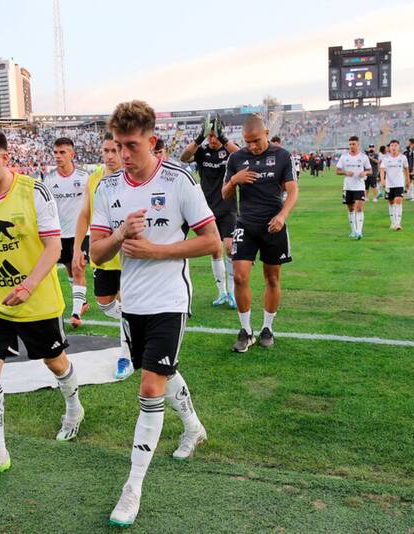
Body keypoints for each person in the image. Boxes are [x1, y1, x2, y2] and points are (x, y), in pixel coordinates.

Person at [90, 100, 219, 527]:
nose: (123, 155)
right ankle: (193, 427)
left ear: (152, 140)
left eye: (131, 145)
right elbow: (96, 252)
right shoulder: (108, 189)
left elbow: (211, 241)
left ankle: (132, 488)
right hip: (133, 304)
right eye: (117, 146)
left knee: (149, 387)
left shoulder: (179, 179)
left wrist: (156, 250)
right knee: (163, 372)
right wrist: (123, 231)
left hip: (169, 300)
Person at [0, 126, 85, 486]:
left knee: (55, 362)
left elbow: (53, 248)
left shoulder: (34, 192)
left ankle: (74, 407)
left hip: (38, 301)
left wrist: (29, 286)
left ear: (4, 157)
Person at [221, 114, 298, 352]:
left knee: (272, 278)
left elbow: (293, 191)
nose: (252, 146)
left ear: (266, 133)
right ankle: (246, 331)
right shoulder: (236, 158)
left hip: (273, 226)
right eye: (247, 142)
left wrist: (282, 216)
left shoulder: (282, 156)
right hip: (246, 224)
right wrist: (234, 180)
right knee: (240, 276)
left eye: (256, 140)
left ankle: (267, 327)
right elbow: (225, 195)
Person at [73, 132, 133, 380]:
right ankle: (139, 320)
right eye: (105, 150)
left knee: (128, 301)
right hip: (104, 252)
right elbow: (85, 214)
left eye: (114, 150)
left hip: (131, 253)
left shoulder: (132, 176)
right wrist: (78, 247)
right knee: (105, 303)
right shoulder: (94, 179)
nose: (109, 155)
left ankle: (126, 356)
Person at [179, 114, 240, 308]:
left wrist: (222, 138)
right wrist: (199, 138)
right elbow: (184, 157)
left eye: (215, 136)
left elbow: (241, 156)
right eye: (209, 136)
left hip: (228, 207)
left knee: (230, 248)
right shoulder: (202, 151)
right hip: (206, 208)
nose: (211, 139)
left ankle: (232, 293)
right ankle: (221, 293)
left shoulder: (229, 151)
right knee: (214, 249)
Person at [42, 138, 91, 328]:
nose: (58, 156)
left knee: (78, 267)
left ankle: (76, 313)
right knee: (70, 269)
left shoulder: (84, 177)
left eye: (62, 152)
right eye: (55, 152)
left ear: (72, 154)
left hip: (82, 233)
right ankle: (82, 301)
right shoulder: (50, 180)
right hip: (59, 235)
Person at [336, 136, 371, 239]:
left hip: (359, 186)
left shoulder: (364, 157)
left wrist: (365, 172)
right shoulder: (344, 157)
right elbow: (338, 171)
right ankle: (353, 231)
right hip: (348, 187)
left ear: (358, 144)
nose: (351, 146)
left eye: (353, 144)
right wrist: (346, 172)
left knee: (359, 207)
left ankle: (359, 232)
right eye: (350, 144)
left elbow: (370, 171)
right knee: (351, 208)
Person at [379, 140, 410, 231]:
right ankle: (392, 222)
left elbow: (406, 168)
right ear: (389, 147)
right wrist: (382, 180)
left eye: (395, 145)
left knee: (398, 201)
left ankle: (398, 223)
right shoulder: (386, 158)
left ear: (398, 147)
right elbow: (381, 169)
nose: (393, 147)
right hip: (389, 184)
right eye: (392, 145)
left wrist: (408, 179)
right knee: (391, 202)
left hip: (399, 183)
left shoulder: (403, 157)